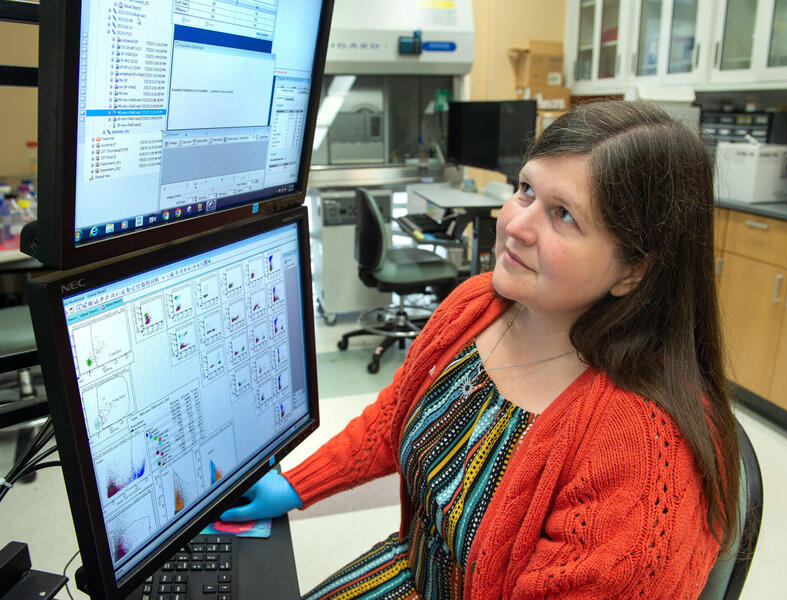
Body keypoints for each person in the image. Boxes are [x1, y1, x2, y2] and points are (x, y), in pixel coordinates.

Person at [221, 100, 741, 599]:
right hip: (407, 572)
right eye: (526, 190)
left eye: (563, 215)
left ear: (634, 269)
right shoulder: (478, 305)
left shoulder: (647, 452)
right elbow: (397, 413)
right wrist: (296, 484)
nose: (515, 225)